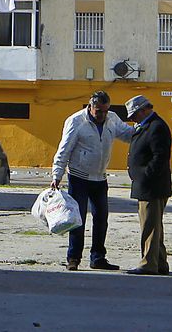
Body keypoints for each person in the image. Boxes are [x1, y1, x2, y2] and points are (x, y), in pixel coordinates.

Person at [51, 91, 136, 270]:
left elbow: (128, 134)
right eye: (99, 111)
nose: (102, 115)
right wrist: (57, 174)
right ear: (90, 107)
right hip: (78, 177)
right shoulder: (76, 122)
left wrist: (144, 130)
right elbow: (64, 149)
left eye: (105, 111)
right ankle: (73, 258)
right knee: (77, 219)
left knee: (101, 219)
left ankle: (98, 258)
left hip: (100, 178)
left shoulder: (112, 119)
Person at [123, 95, 172, 275]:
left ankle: (148, 263)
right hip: (147, 184)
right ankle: (159, 262)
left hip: (152, 186)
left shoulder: (156, 127)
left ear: (145, 110)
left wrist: (145, 176)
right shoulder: (146, 126)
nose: (132, 118)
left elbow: (160, 157)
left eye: (134, 114)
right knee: (154, 225)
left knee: (149, 226)